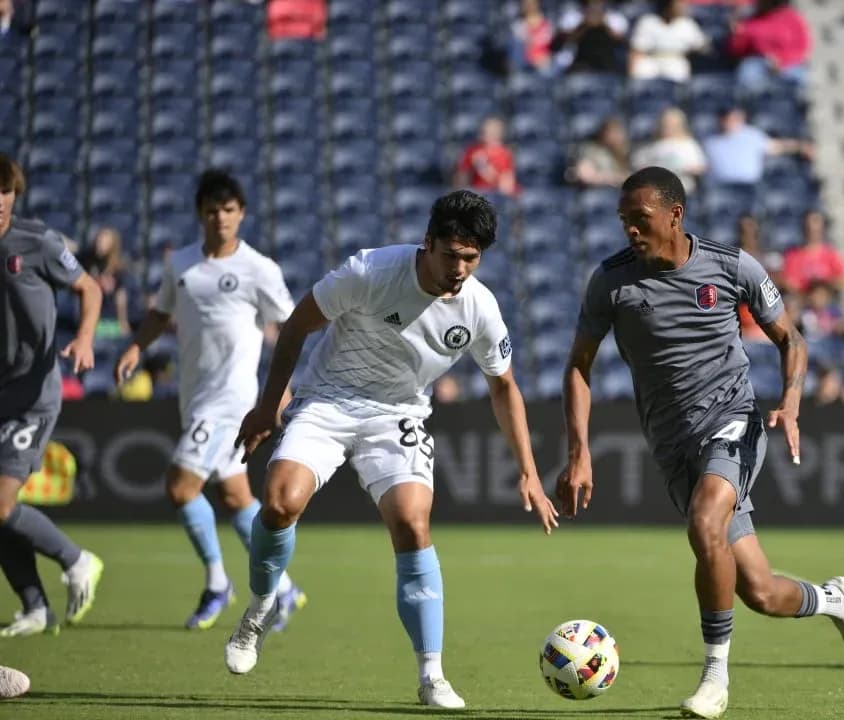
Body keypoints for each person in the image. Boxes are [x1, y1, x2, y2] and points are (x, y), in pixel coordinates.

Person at [557, 167, 844, 719]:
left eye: (641, 219)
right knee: (760, 592)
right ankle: (834, 599)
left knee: (706, 522)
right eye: (623, 221)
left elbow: (791, 338)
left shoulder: (732, 267)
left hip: (732, 420)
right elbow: (579, 367)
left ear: (675, 214)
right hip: (671, 443)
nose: (630, 230)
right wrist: (579, 452)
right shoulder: (610, 282)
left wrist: (791, 403)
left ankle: (715, 677)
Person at [224, 190, 558, 709]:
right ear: (427, 243)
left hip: (397, 414)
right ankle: (261, 607)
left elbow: (503, 387)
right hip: (328, 400)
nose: (460, 269)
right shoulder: (370, 272)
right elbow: (295, 326)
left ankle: (432, 675)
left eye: (472, 258)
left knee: (412, 521)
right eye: (452, 255)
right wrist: (270, 406)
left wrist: (529, 473)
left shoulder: (479, 308)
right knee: (279, 502)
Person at [113, 170, 307, 632]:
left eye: (229, 210)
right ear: (200, 213)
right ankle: (284, 590)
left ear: (241, 214)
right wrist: (137, 346)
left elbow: (291, 327)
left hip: (231, 399)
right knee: (236, 496)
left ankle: (218, 583)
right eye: (212, 210)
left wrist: (283, 392)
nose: (220, 218)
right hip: (194, 394)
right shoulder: (180, 264)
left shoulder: (258, 268)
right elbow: (161, 313)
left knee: (181, 487)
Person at [0, 153, 105, 637]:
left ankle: (76, 559)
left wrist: (84, 338)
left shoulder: (37, 241)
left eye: (5, 194)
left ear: (14, 195)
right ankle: (34, 607)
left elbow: (90, 288)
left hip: (33, 395)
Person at [631, 107, 707, 193]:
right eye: (665, 124)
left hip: (682, 192)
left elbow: (700, 167)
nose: (668, 127)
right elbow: (638, 165)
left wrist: (681, 168)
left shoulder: (688, 144)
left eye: (672, 124)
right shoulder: (649, 145)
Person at [629, 0, 707, 83]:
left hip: (676, 60)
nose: (682, 7)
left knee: (679, 74)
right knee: (641, 72)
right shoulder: (648, 21)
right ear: (667, 5)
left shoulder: (688, 24)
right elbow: (636, 51)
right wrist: (630, 79)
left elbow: (702, 47)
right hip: (651, 59)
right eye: (677, 4)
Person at [452, 117, 518, 197]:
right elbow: (462, 178)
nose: (480, 135)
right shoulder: (472, 151)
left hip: (496, 196)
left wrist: (484, 167)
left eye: (484, 132)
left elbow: (506, 186)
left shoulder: (504, 154)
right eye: (481, 131)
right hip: (476, 195)